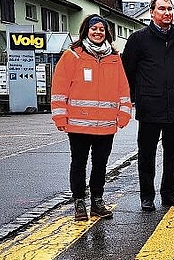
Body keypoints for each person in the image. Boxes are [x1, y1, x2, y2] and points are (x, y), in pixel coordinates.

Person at [51, 14, 132, 221]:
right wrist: (60, 116)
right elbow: (59, 88)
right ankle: (79, 203)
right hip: (78, 124)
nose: (98, 32)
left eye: (101, 29)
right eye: (94, 28)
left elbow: (123, 88)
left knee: (100, 164)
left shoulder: (114, 57)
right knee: (78, 163)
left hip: (105, 125)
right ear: (86, 30)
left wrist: (124, 112)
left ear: (107, 33)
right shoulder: (72, 55)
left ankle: (97, 201)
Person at [122, 0, 174, 212]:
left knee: (172, 152)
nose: (167, 13)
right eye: (162, 9)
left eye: (170, 9)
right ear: (152, 13)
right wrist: (137, 96)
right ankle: (147, 196)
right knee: (147, 152)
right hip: (150, 105)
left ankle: (168, 193)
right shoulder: (138, 39)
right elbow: (128, 72)